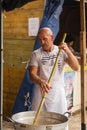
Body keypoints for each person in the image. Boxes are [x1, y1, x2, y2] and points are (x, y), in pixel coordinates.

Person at [28, 27, 79, 129]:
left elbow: (76, 67)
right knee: (38, 123)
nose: (42, 42)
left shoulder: (61, 52)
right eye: (40, 39)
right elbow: (32, 74)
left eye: (45, 39)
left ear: (51, 38)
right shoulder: (36, 54)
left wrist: (67, 51)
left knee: (60, 123)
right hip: (41, 92)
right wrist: (40, 81)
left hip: (57, 94)